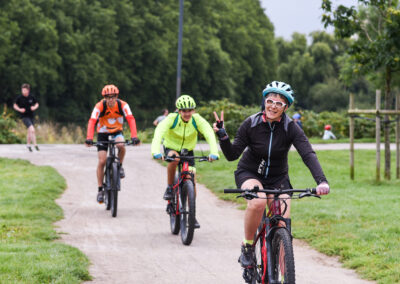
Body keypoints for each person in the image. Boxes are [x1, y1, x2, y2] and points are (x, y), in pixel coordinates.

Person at [213, 81, 330, 268]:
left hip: (278, 178)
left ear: (286, 107)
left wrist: (321, 181)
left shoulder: (290, 127)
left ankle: (284, 275)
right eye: (270, 101)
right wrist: (223, 136)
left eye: (279, 103)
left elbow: (307, 154)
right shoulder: (251, 123)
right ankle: (248, 246)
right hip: (250, 173)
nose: (273, 106)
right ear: (264, 102)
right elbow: (232, 155)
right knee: (258, 201)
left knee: (282, 224)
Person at [151, 94, 219, 228]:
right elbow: (159, 131)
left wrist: (214, 152)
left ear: (193, 110)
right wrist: (155, 151)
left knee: (191, 179)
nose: (187, 113)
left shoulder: (197, 119)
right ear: (178, 110)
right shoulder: (171, 118)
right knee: (174, 159)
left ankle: (191, 215)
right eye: (183, 111)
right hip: (171, 147)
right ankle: (170, 188)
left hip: (188, 151)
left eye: (189, 110)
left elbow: (209, 133)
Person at [85, 84, 140, 203]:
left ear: (116, 97)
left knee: (121, 145)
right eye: (108, 97)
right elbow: (92, 121)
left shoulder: (123, 105)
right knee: (102, 161)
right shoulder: (99, 106)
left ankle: (119, 166)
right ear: (104, 98)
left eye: (113, 97)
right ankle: (100, 189)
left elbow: (131, 119)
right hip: (102, 133)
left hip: (117, 132)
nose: (110, 99)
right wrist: (89, 138)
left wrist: (134, 136)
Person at [13, 83, 39, 152]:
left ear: (28, 90)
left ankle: (28, 145)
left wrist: (34, 107)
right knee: (32, 129)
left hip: (31, 116)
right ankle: (35, 145)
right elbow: (15, 105)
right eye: (22, 90)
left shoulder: (31, 97)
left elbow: (37, 104)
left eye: (24, 90)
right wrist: (20, 109)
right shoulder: (19, 98)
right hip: (24, 117)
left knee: (29, 132)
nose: (23, 91)